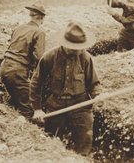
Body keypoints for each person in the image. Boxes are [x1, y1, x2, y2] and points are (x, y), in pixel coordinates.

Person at [30, 22, 101, 156]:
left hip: (80, 106)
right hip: (56, 106)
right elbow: (36, 83)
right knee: (52, 142)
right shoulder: (49, 57)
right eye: (74, 48)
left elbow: (94, 83)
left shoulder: (85, 58)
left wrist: (97, 95)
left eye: (80, 47)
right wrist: (37, 109)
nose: (78, 50)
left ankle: (82, 157)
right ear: (65, 44)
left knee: (85, 140)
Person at [0, 2, 46, 119]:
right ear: (42, 18)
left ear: (30, 15)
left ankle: (12, 121)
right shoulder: (39, 32)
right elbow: (39, 57)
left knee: (15, 100)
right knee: (28, 108)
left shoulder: (19, 28)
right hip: (17, 72)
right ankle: (31, 132)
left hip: (4, 67)